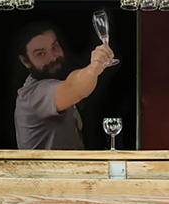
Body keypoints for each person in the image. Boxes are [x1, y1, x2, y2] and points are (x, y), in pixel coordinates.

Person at [13, 21, 114, 150]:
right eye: (41, 54)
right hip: (44, 171)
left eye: (54, 47)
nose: (53, 57)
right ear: (25, 61)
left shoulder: (55, 80)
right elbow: (73, 88)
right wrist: (94, 68)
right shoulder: (34, 95)